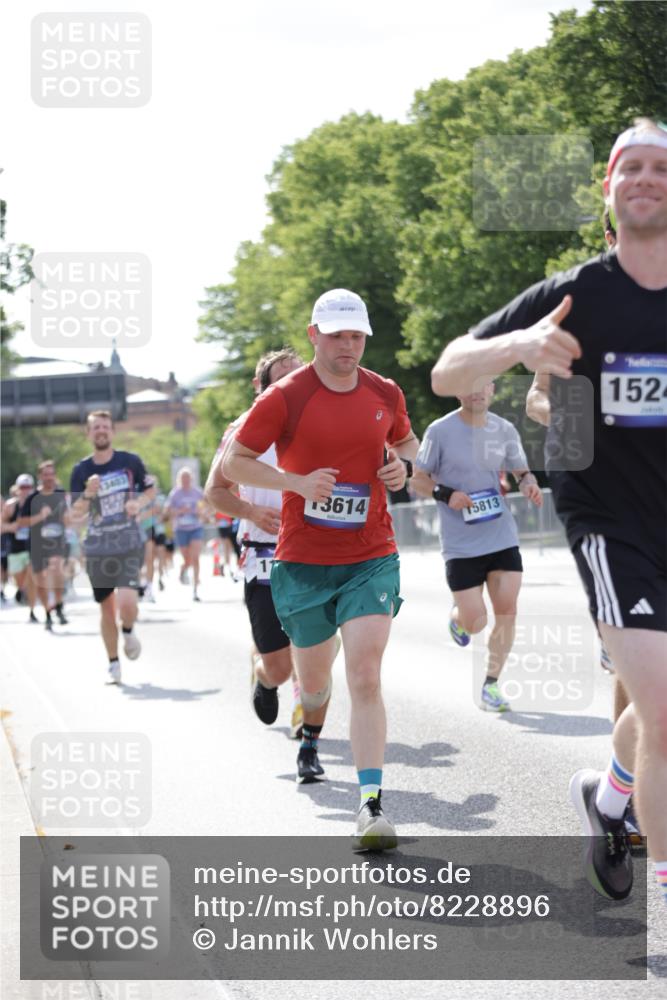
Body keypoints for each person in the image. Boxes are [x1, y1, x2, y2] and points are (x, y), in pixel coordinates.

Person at [430, 119, 667, 905]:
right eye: (630, 167)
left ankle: (609, 799)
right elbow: (447, 368)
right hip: (611, 523)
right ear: (608, 189)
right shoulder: (576, 296)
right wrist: (521, 348)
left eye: (660, 168)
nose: (645, 178)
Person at [223, 289, 419, 849]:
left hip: (370, 555)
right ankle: (309, 729)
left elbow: (407, 442)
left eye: (356, 336)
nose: (347, 346)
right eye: (336, 336)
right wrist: (295, 483)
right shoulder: (285, 396)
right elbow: (235, 462)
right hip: (304, 563)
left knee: (365, 675)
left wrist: (402, 468)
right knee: (312, 684)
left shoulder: (384, 391)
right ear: (315, 335)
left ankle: (371, 805)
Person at [524, 211, 642, 846]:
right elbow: (536, 397)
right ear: (609, 237)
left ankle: (622, 793)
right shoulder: (575, 308)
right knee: (637, 656)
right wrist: (578, 419)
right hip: (611, 504)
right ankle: (628, 797)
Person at [206, 348, 333, 778]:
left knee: (316, 650)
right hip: (263, 553)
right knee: (279, 665)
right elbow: (214, 492)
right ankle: (264, 674)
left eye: (299, 377)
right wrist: (251, 512)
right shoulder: (243, 429)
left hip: (316, 552)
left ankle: (309, 738)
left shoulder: (326, 419)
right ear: (261, 389)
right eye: (281, 380)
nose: (293, 387)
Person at [411, 381, 542, 711]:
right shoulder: (439, 431)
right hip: (460, 544)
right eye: (469, 385)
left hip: (501, 535)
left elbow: (522, 471)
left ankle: (491, 684)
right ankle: (460, 617)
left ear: (492, 389)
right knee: (476, 622)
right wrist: (446, 494)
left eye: (483, 385)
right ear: (458, 391)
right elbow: (418, 478)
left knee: (507, 611)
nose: (477, 391)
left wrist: (529, 483)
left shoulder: (504, 429)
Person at [70, 410, 155, 684]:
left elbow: (150, 489)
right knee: (106, 608)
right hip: (97, 548)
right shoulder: (81, 470)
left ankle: (128, 630)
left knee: (128, 603)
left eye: (105, 426)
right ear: (88, 433)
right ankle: (113, 663)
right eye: (96, 427)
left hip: (128, 543)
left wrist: (138, 503)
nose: (101, 431)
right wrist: (88, 494)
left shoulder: (130, 462)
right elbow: (75, 512)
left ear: (112, 431)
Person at [20, 460, 69, 630]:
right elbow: (22, 522)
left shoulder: (61, 494)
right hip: (37, 543)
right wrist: (40, 517)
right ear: (40, 476)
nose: (49, 477)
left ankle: (59, 604)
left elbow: (67, 516)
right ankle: (48, 612)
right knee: (40, 579)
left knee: (56, 569)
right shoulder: (32, 498)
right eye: (46, 474)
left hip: (57, 540)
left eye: (51, 474)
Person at [165, 468, 207, 602]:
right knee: (188, 560)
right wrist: (180, 511)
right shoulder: (175, 494)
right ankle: (183, 569)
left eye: (187, 478)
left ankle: (195, 589)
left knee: (195, 557)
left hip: (196, 528)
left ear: (191, 479)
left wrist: (199, 511)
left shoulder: (197, 492)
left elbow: (204, 508)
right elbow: (168, 512)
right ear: (179, 480)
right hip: (181, 529)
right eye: (183, 478)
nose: (185, 481)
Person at [3, 475, 38, 622]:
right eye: (23, 487)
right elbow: (1, 525)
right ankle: (21, 590)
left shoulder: (37, 504)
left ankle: (32, 611)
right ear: (17, 489)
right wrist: (12, 527)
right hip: (15, 548)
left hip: (32, 547)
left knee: (32, 578)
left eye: (28, 487)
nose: (25, 490)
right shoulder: (10, 506)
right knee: (21, 581)